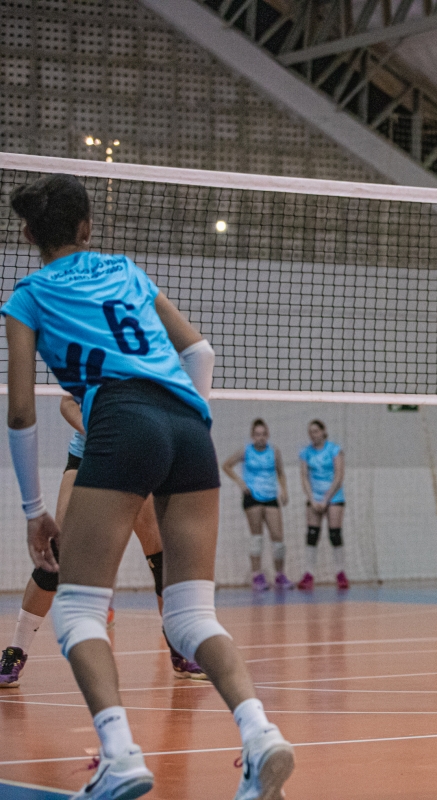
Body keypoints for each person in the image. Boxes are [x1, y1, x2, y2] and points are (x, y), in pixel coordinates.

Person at [4, 173, 292, 799]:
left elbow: (22, 411)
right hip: (189, 423)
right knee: (192, 616)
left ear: (27, 234)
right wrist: (191, 428)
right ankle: (261, 733)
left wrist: (32, 509)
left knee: (78, 610)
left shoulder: (27, 296)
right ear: (87, 228)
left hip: (120, 419)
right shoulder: (126, 271)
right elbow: (201, 353)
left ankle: (120, 755)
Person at [0, 398, 206, 687]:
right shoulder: (94, 369)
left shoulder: (149, 375)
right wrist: (96, 430)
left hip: (137, 462)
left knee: (162, 558)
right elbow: (67, 403)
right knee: (58, 555)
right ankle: (16, 650)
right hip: (88, 456)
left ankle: (179, 647)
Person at [223, 419, 292, 591]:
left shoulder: (274, 451)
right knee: (257, 537)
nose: (260, 437)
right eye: (257, 434)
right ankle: (257, 576)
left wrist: (284, 490)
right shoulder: (246, 451)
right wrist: (240, 483)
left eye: (263, 434)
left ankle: (280, 575)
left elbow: (281, 473)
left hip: (270, 497)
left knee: (278, 538)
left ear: (267, 435)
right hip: (252, 497)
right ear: (252, 436)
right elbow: (226, 465)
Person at [297, 419, 348, 591]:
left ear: (323, 431)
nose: (313, 435)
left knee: (335, 534)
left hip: (333, 496)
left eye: (316, 431)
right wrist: (312, 499)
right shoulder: (306, 453)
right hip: (315, 497)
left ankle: (340, 573)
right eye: (310, 432)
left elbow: (339, 475)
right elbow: (304, 477)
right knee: (312, 535)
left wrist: (326, 498)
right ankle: (309, 574)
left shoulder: (334, 450)